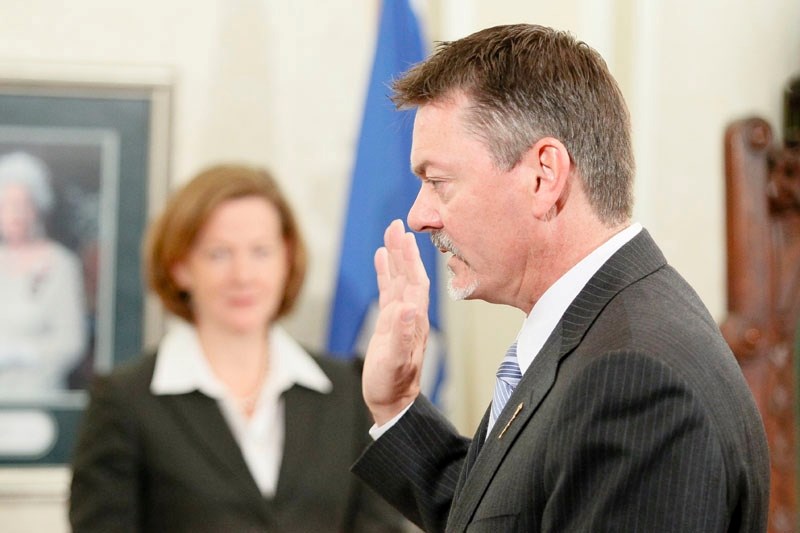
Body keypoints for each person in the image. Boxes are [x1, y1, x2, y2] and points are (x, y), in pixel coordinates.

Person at [350, 24, 770, 532]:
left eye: (438, 183)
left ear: (543, 176)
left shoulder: (634, 380)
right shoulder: (609, 328)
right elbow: (508, 512)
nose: (419, 215)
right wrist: (395, 406)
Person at [70, 164, 404, 532]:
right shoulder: (123, 401)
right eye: (219, 254)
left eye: (261, 251)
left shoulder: (350, 392)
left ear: (286, 259)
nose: (243, 275)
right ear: (180, 265)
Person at [0, 151, 87, 395]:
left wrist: (21, 355)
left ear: (36, 208)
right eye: (5, 206)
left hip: (37, 401)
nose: (13, 215)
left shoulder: (61, 264)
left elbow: (70, 343)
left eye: (21, 205)